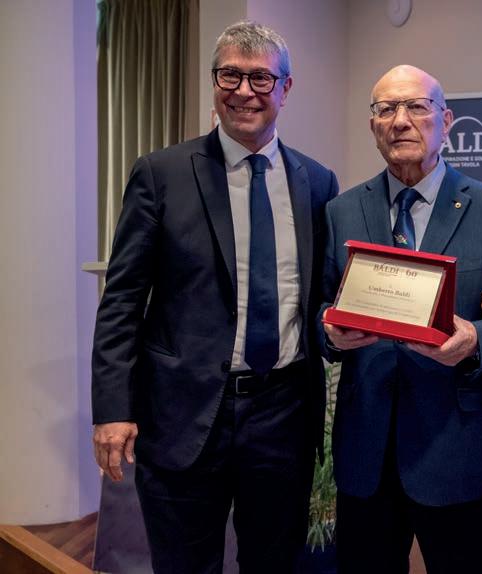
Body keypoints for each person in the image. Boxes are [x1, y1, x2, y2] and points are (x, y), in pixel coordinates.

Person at [91, 21, 338, 573]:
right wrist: (112, 410)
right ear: (214, 81)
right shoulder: (161, 174)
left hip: (283, 414)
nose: (244, 91)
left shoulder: (317, 182)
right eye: (230, 75)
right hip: (184, 415)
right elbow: (122, 302)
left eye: (260, 78)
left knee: (273, 564)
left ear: (286, 88)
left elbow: (322, 298)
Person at [318, 65, 482, 574]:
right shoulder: (341, 210)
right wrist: (330, 329)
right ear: (373, 126)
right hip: (366, 449)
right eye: (386, 109)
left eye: (416, 107)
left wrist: (477, 338)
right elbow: (320, 304)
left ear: (446, 121)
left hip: (457, 446)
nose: (400, 120)